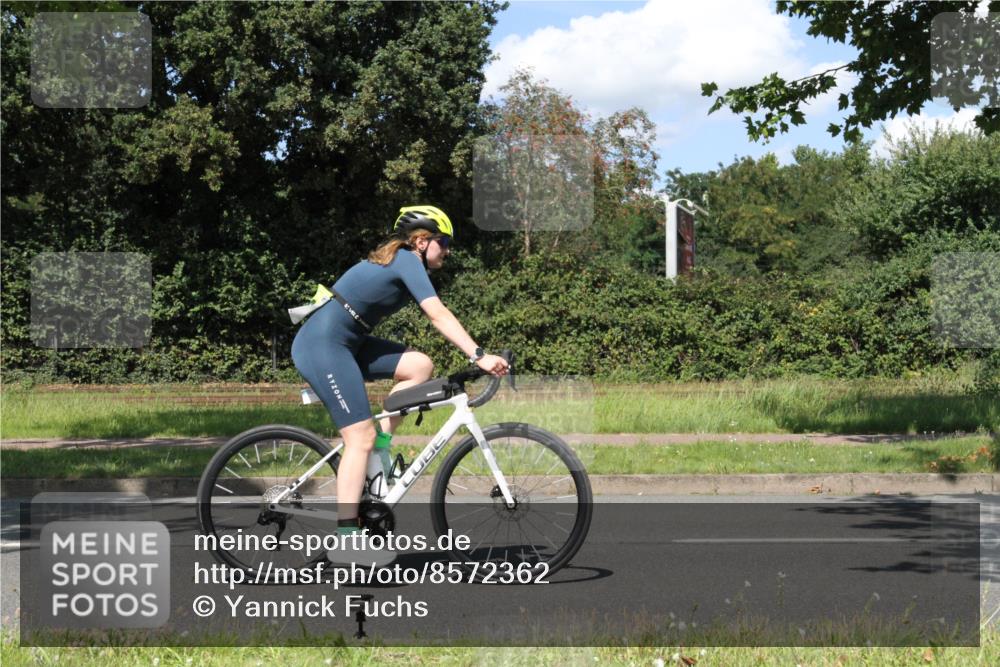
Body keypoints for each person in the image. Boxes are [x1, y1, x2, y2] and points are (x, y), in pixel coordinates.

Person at [290, 205, 509, 566]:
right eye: (444, 242)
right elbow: (437, 313)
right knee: (356, 438)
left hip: (348, 343)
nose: (448, 250)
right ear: (421, 241)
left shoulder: (408, 261)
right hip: (323, 344)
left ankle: (381, 447)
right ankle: (347, 542)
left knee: (420, 365)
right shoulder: (408, 259)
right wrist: (478, 355)